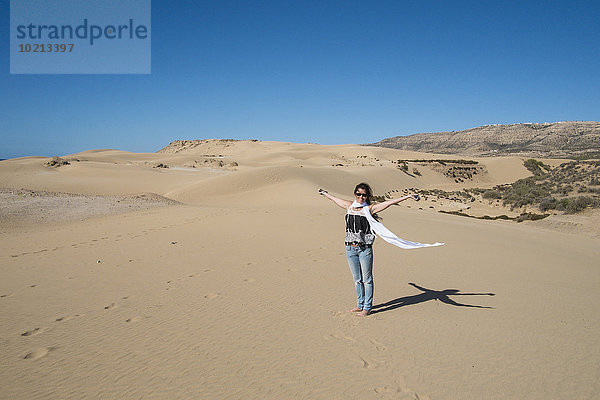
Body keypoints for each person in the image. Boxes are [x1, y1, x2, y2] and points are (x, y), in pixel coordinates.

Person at [319, 183, 421, 317]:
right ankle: (359, 305)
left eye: (364, 195)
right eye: (358, 194)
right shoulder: (349, 206)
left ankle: (367, 308)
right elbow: (334, 199)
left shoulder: (370, 209)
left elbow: (389, 203)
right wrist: (324, 193)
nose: (361, 197)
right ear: (355, 193)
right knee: (357, 279)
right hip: (350, 249)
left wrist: (407, 196)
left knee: (367, 280)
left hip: (364, 249)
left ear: (367, 196)